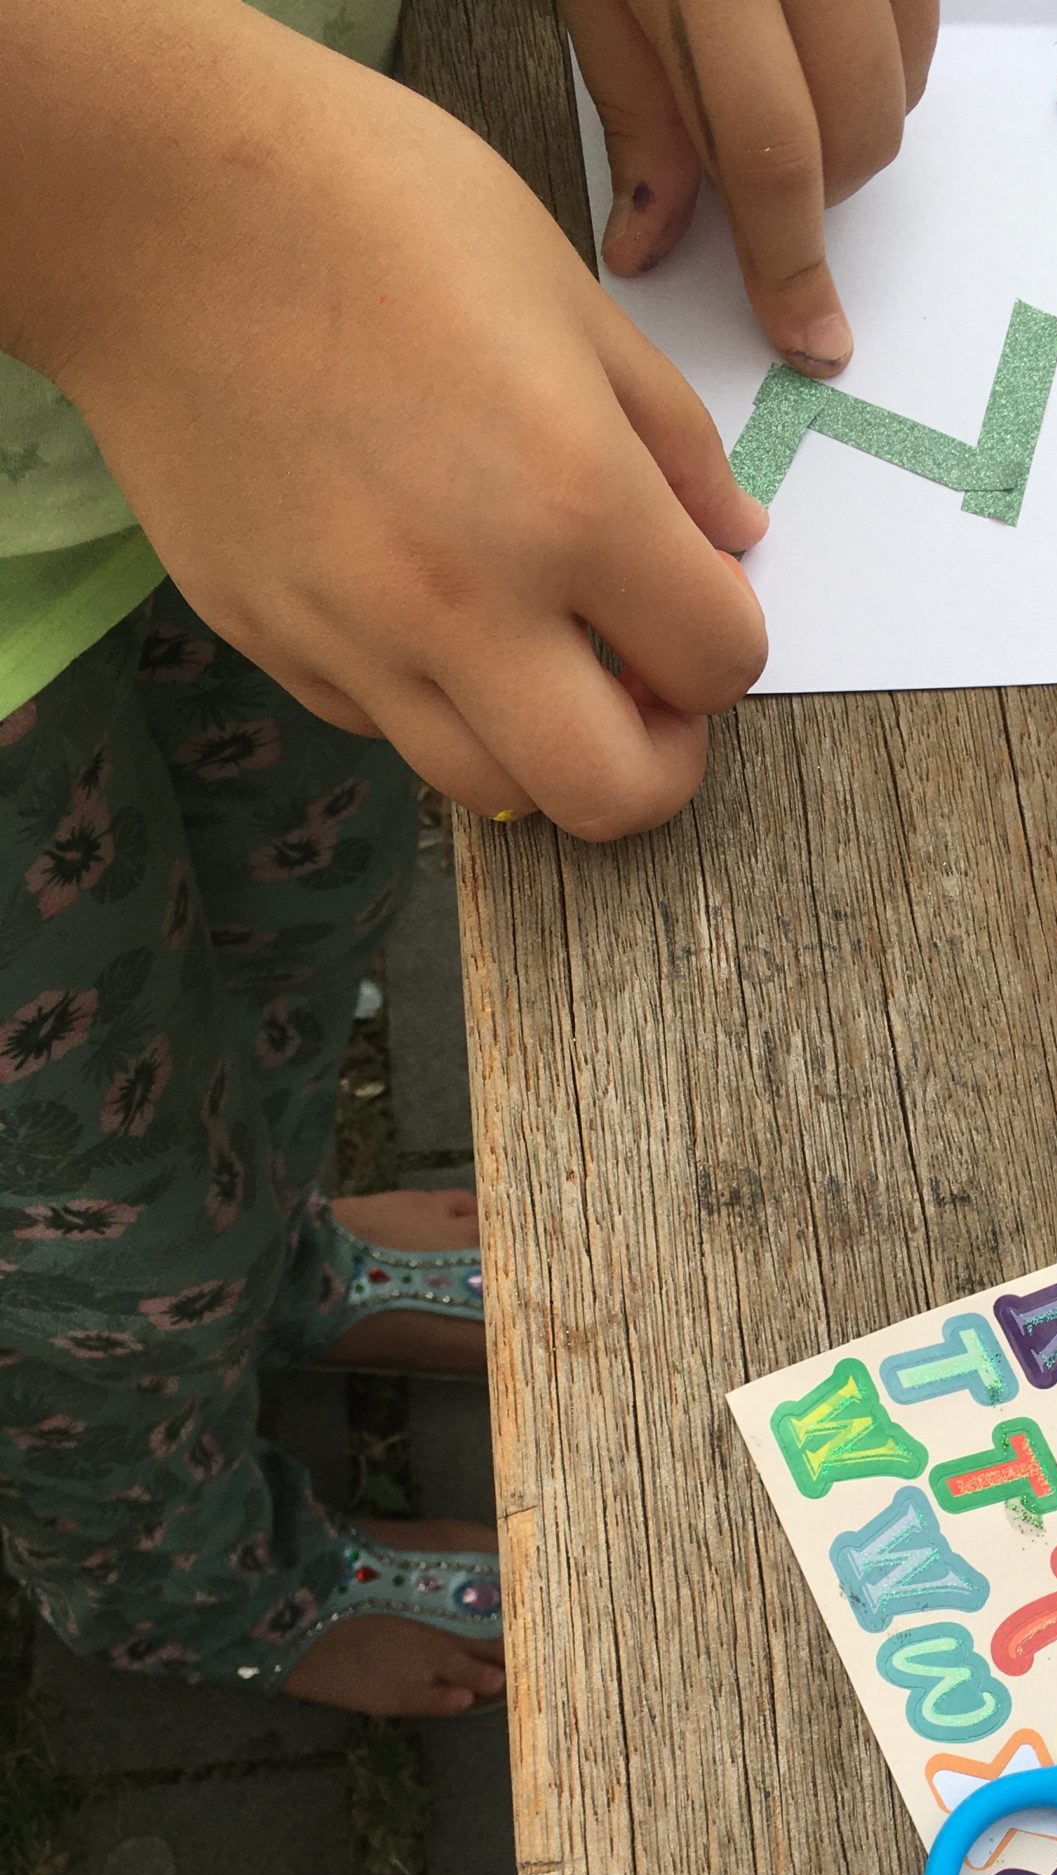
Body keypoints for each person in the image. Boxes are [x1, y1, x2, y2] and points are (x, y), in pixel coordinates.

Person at [0, 0, 937, 1715]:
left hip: (299, 376)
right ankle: (181, 1588)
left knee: (302, 904)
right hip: (198, 275)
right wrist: (140, 197)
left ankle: (285, 1257)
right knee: (94, 1243)